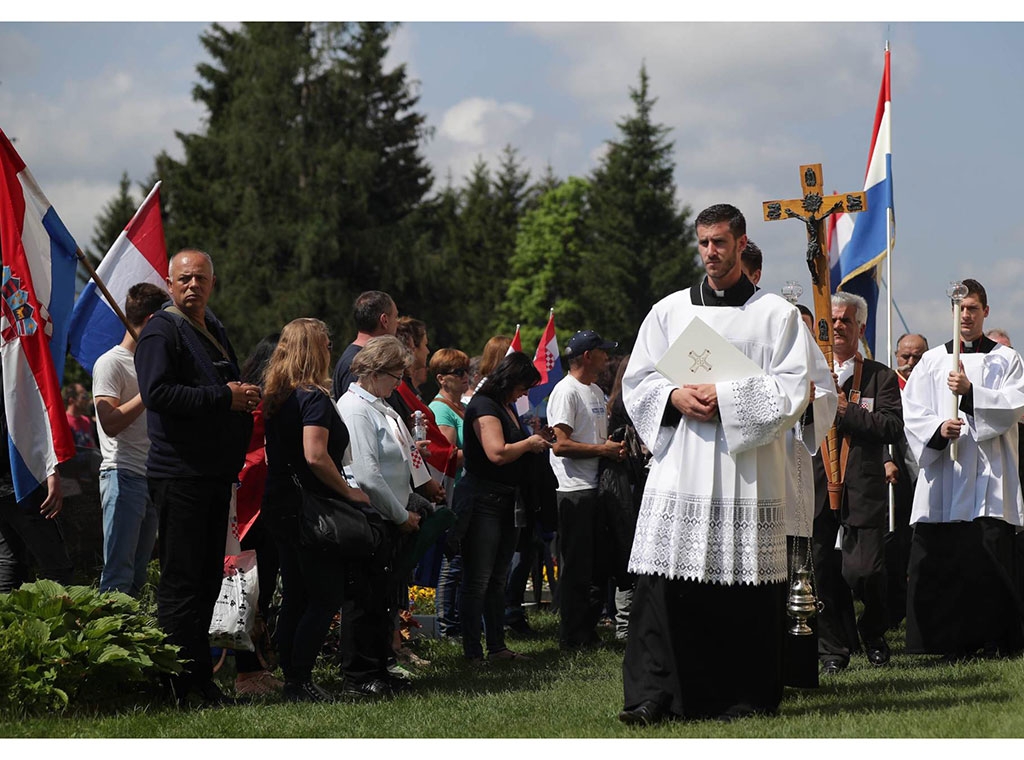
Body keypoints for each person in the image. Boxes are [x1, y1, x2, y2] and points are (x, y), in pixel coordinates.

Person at [618, 203, 825, 725]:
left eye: (720, 242)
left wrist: (725, 397)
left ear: (740, 242)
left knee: (743, 592)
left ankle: (743, 696)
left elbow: (794, 389)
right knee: (665, 585)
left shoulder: (775, 315)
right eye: (703, 242)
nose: (711, 252)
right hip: (683, 466)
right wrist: (672, 397)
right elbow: (636, 381)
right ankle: (654, 696)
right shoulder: (668, 312)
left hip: (746, 472)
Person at [135, 249, 259, 707]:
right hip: (179, 475)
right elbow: (158, 393)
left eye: (201, 279)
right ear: (169, 283)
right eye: (184, 279)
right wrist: (222, 398)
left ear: (212, 281)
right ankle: (176, 685)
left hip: (212, 474)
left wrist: (242, 397)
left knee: (208, 580)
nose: (193, 286)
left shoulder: (215, 328)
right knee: (182, 583)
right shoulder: (161, 331)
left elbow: (220, 388)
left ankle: (202, 681)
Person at [903, 278, 1024, 659]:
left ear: (985, 312)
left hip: (990, 477)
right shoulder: (932, 361)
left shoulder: (1007, 359)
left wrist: (971, 394)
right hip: (945, 474)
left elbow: (1013, 406)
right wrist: (939, 429)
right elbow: (913, 412)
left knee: (988, 560)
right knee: (945, 561)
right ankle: (944, 641)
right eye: (960, 309)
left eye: (973, 308)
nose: (966, 316)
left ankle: (994, 640)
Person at [261, 319, 371, 702]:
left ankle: (293, 678)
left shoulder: (278, 395)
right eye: (326, 344)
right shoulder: (312, 397)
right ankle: (300, 678)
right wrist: (350, 493)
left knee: (295, 594)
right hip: (311, 509)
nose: (330, 350)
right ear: (314, 349)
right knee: (324, 596)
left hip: (281, 503)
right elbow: (315, 454)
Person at [812, 292, 903, 674]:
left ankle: (874, 630)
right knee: (821, 572)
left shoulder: (880, 376)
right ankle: (833, 650)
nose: (837, 327)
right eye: (831, 320)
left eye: (845, 321)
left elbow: (891, 427)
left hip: (862, 488)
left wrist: (845, 409)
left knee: (863, 571)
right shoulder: (811, 373)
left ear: (860, 327)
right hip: (818, 485)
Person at [336, 335, 426, 697]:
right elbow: (368, 474)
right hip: (373, 515)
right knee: (364, 600)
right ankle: (359, 675)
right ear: (375, 372)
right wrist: (400, 514)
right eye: (395, 375)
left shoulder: (378, 405)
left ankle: (378, 667)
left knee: (381, 600)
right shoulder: (356, 408)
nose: (399, 383)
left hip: (387, 515)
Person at [456, 352, 552, 663]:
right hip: (484, 500)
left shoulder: (505, 406)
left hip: (507, 500)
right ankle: (473, 651)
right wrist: (530, 443)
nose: (526, 393)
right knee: (478, 579)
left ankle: (496, 646)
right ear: (510, 381)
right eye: (524, 387)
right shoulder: (484, 406)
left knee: (497, 578)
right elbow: (496, 452)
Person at [547, 329, 625, 650]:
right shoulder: (566, 392)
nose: (607, 359)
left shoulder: (592, 390)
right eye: (602, 353)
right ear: (587, 357)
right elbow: (560, 445)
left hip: (596, 487)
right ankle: (572, 635)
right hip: (574, 489)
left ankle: (587, 630)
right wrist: (603, 451)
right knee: (577, 566)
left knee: (596, 565)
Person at [92, 282, 167, 596]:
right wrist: (148, 395)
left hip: (149, 478)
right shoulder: (111, 362)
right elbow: (109, 422)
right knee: (118, 577)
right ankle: (109, 640)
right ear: (151, 322)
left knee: (137, 576)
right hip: (122, 475)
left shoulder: (150, 364)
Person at [0, 365, 72, 592]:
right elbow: (27, 418)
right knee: (57, 569)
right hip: (20, 480)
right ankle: (64, 623)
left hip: (13, 479)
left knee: (9, 563)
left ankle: (8, 624)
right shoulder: (13, 360)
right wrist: (49, 469)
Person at [884, 333, 929, 630]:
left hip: (928, 476)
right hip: (896, 481)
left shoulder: (933, 384)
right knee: (896, 547)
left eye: (917, 357)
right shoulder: (888, 386)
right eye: (905, 357)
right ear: (896, 355)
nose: (910, 363)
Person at [429, 349, 469, 638]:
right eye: (459, 372)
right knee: (451, 559)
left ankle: (456, 622)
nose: (465, 377)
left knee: (461, 558)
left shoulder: (461, 407)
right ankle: (447, 626)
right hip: (455, 491)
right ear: (442, 378)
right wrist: (481, 452)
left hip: (467, 490)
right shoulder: (441, 409)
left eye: (466, 371)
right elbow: (448, 456)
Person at [331, 291, 399, 401]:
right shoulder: (358, 364)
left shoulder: (359, 358)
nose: (398, 323)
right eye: (395, 317)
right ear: (384, 320)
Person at [64, 382, 97, 449]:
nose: (87, 400)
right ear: (71, 400)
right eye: (84, 396)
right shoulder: (64, 421)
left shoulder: (86, 420)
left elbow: (92, 446)